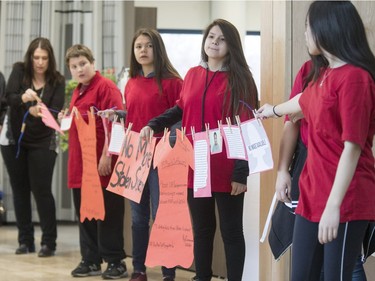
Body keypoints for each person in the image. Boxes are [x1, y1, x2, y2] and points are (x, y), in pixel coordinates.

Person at [257, 2, 375, 280]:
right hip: (312, 192)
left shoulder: (355, 78)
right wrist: (272, 110)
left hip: (345, 197)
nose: (306, 34)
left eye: (309, 27)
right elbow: (302, 101)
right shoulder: (323, 74)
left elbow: (353, 147)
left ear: (328, 28)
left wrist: (334, 207)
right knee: (301, 275)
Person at [140, 19, 258, 281]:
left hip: (227, 167)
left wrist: (241, 171)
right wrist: (153, 124)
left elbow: (247, 126)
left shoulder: (242, 79)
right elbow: (181, 108)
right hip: (197, 165)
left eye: (221, 39)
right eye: (211, 37)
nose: (214, 42)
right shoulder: (193, 73)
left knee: (231, 232)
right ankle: (202, 277)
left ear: (231, 45)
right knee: (202, 230)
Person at [121, 28, 182, 281]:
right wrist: (117, 116)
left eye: (148, 46)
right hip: (135, 154)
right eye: (138, 47)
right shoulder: (131, 82)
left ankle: (169, 272)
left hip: (163, 156)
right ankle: (139, 269)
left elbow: (179, 118)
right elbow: (135, 115)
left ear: (158, 49)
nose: (143, 51)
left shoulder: (173, 82)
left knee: (162, 215)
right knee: (138, 218)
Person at [64, 44, 127, 279]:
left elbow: (116, 123)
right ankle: (90, 260)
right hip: (81, 165)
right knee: (87, 212)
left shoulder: (106, 87)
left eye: (83, 64)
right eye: (74, 66)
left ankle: (115, 261)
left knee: (108, 213)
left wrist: (107, 155)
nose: (79, 69)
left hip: (103, 164)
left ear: (93, 63)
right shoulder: (77, 90)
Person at [1, 37, 65, 257]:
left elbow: (56, 110)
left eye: (44, 58)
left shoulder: (57, 80)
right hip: (14, 139)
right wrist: (22, 99)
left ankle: (49, 242)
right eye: (36, 57)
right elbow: (8, 98)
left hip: (43, 140)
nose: (40, 62)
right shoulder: (19, 71)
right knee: (19, 190)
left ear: (50, 59)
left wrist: (39, 110)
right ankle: (25, 240)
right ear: (30, 57)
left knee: (42, 190)